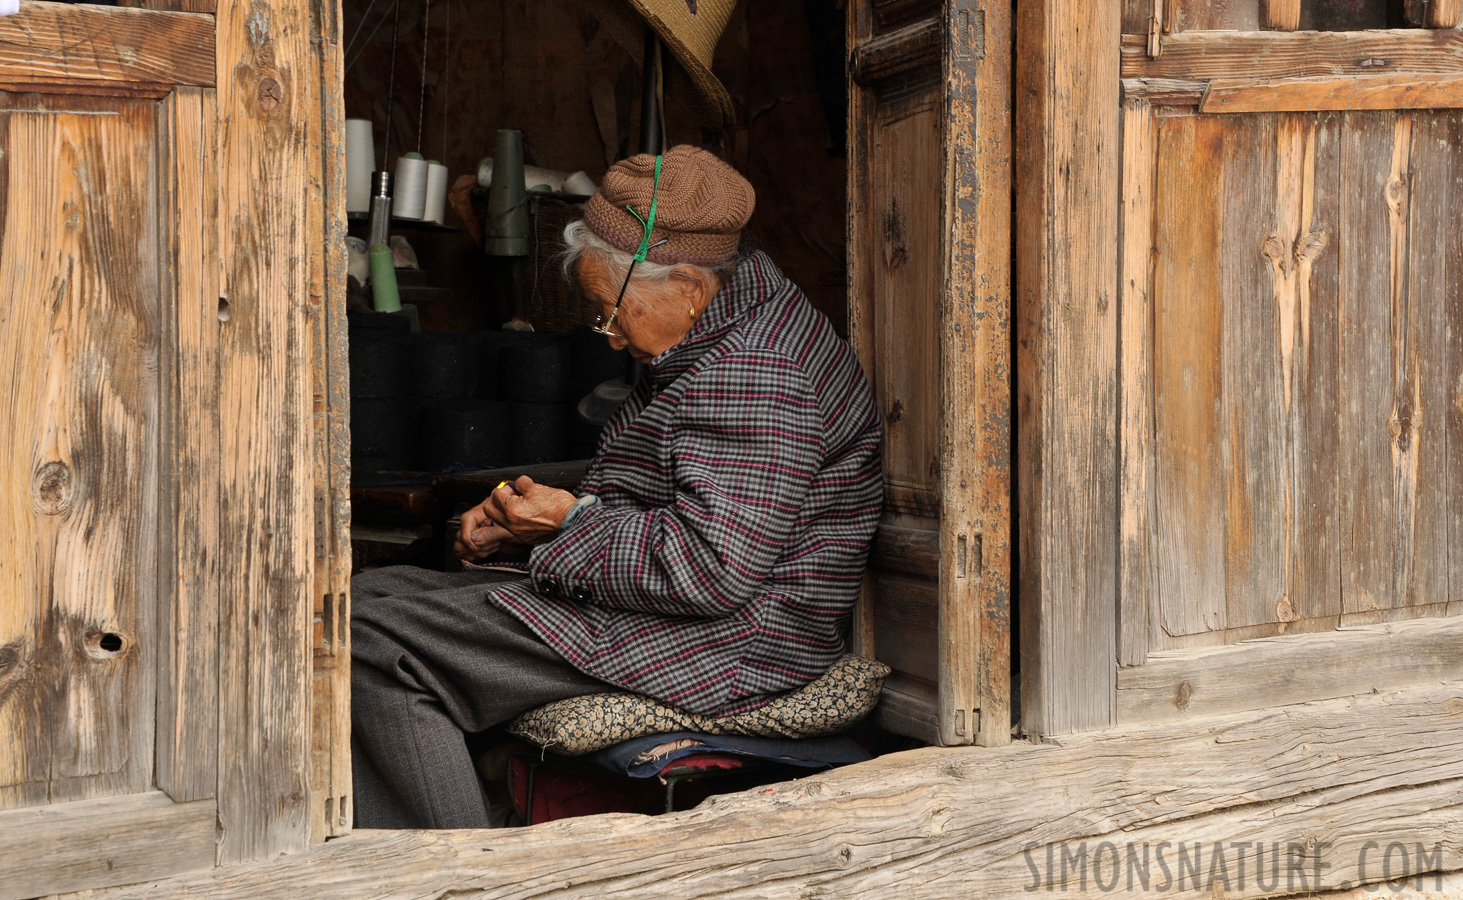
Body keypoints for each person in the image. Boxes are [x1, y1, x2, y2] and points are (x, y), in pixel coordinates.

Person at [351, 145, 883, 829]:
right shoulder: (730, 316)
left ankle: (452, 879)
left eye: (610, 312)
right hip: (687, 613)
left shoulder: (755, 374)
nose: (606, 338)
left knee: (369, 643)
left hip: (729, 643)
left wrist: (568, 525)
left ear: (689, 286)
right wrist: (526, 528)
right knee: (370, 597)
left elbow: (709, 571)